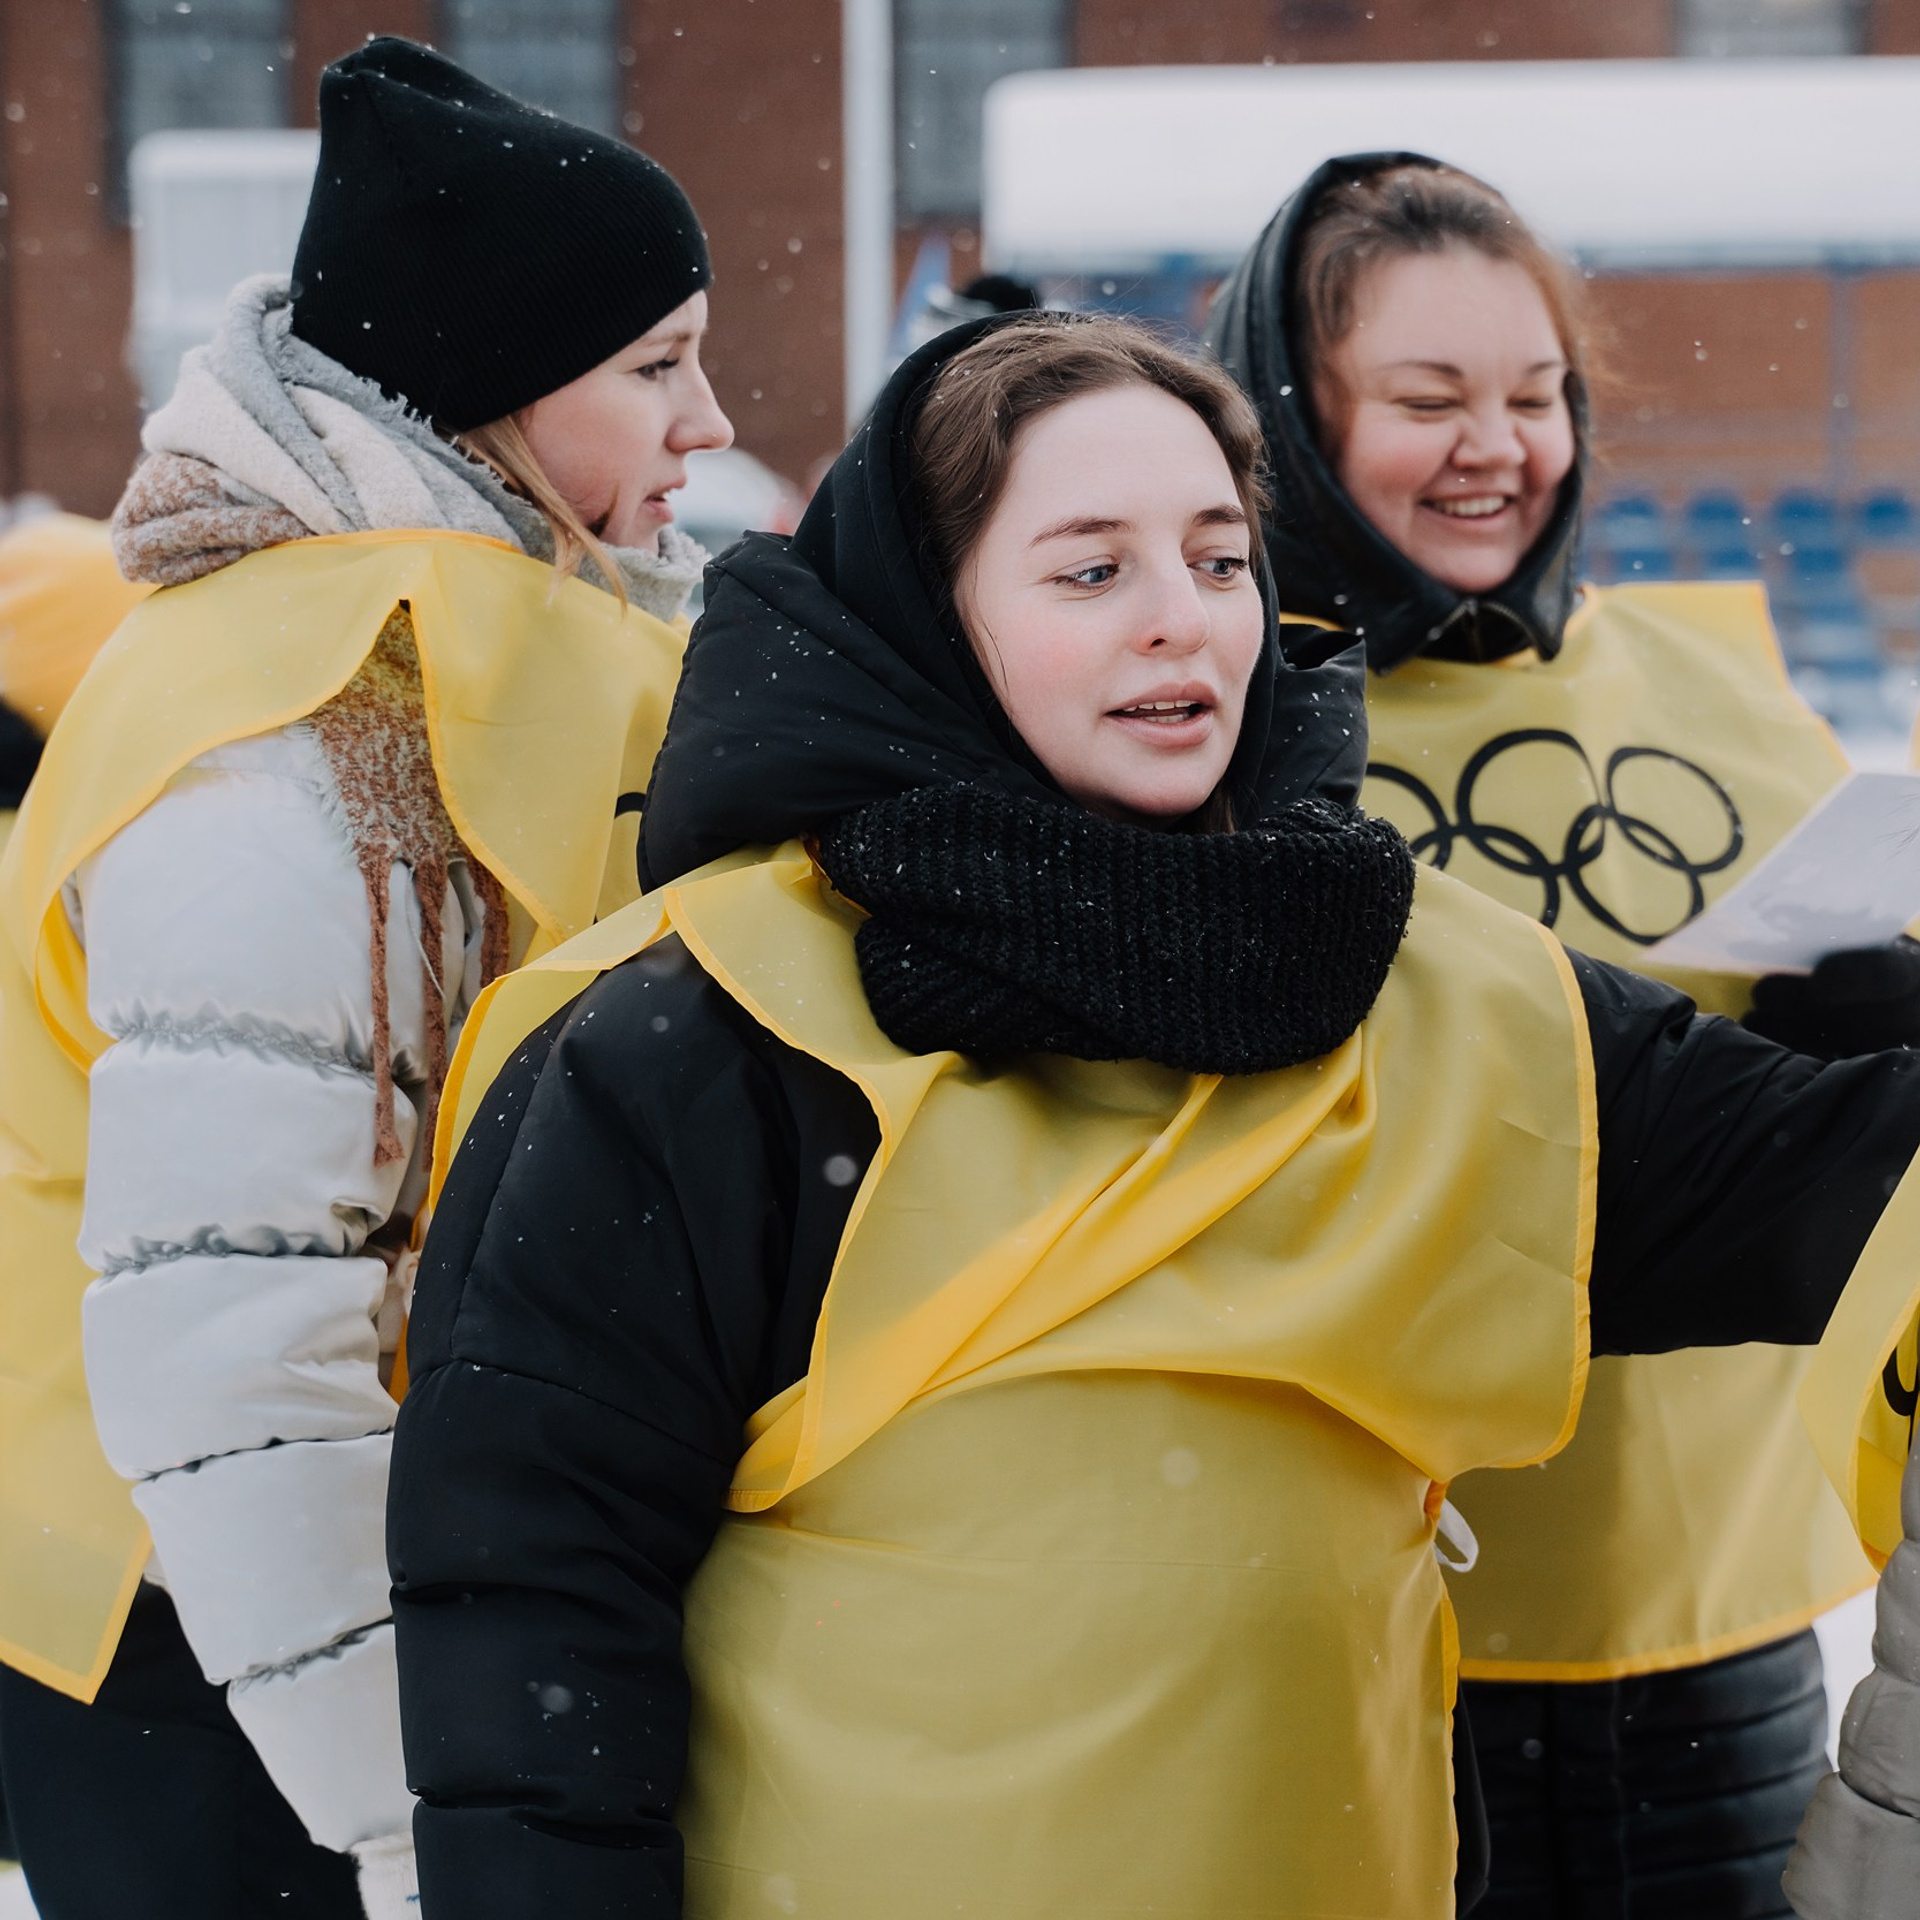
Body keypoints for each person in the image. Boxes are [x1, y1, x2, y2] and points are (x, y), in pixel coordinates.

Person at [387, 309, 1920, 1920]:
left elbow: (1839, 1190)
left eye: (1218, 559)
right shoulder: (705, 1028)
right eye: (1090, 571)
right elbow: (531, 1600)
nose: (1181, 620)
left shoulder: (1436, 991)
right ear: (929, 614)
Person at [0, 37, 729, 1920]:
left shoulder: (414, 646)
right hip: (206, 1631)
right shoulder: (297, 728)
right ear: (493, 387)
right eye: (655, 367)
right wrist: (414, 1811)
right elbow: (231, 1344)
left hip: (314, 1578)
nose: (711, 423)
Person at [1206, 152, 1915, 1917]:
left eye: (1536, 397)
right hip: (1365, 1616)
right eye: (1426, 399)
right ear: (1292, 421)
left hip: (1716, 1625)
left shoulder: (1705, 685)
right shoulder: (1211, 716)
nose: (1497, 448)